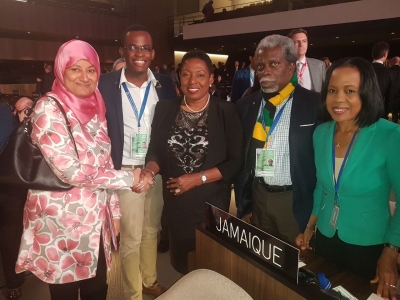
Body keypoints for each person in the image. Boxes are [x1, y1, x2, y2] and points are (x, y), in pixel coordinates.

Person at [15, 39, 149, 300]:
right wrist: (128, 178)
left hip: (96, 220)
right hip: (61, 222)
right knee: (65, 292)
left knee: (98, 288)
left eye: (91, 69)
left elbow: (104, 162)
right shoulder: (48, 107)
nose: (85, 77)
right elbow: (70, 170)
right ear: (61, 70)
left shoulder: (97, 105)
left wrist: (115, 213)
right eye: (75, 69)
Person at [296, 57, 400, 300]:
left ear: (366, 93)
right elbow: (322, 187)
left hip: (369, 245)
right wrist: (310, 227)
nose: (338, 98)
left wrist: (391, 251)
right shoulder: (321, 133)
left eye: (349, 91)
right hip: (325, 238)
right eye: (332, 90)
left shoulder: (390, 135)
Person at [143, 49, 244, 274]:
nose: (192, 81)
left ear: (211, 79)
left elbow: (236, 161)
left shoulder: (226, 111)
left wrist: (198, 178)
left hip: (212, 203)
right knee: (183, 265)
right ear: (179, 77)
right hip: (177, 203)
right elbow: (156, 151)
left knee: (211, 265)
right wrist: (149, 171)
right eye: (186, 74)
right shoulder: (165, 108)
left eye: (200, 75)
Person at [98, 24, 176, 300]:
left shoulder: (165, 85)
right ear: (123, 51)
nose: (139, 53)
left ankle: (150, 281)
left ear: (152, 53)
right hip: (126, 172)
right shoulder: (105, 84)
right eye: (133, 47)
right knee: (130, 237)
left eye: (145, 48)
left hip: (155, 169)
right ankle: (133, 294)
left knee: (151, 229)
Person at [235, 35, 319, 240]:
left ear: (291, 67)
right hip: (259, 197)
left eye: (274, 64)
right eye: (261, 66)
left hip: (295, 201)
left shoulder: (314, 105)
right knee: (261, 259)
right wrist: (245, 203)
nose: (265, 71)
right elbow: (240, 158)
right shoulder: (246, 106)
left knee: (295, 265)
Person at [0, 103, 26, 300]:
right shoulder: (4, 111)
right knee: (9, 235)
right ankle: (13, 282)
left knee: (9, 234)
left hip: (7, 186)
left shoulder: (4, 111)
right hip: (8, 185)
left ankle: (13, 281)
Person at [288, 28, 326, 93]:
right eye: (297, 42)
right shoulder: (283, 66)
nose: (301, 45)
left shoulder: (319, 65)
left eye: (304, 41)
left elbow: (325, 90)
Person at [371, 41, 393, 118]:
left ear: (372, 54)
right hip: (380, 110)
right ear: (385, 54)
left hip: (362, 109)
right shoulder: (388, 72)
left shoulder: (363, 70)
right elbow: (389, 95)